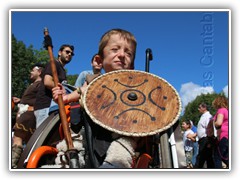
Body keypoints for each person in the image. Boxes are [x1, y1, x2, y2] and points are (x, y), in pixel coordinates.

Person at [52, 28, 138, 168]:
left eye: (128, 53)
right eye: (115, 49)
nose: (122, 54)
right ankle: (72, 155)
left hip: (121, 130)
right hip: (90, 127)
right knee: (75, 113)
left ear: (132, 65)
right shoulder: (93, 80)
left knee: (129, 132)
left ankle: (116, 162)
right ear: (99, 60)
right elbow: (81, 91)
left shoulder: (135, 84)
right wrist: (65, 97)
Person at [12, 63, 44, 168]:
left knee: (17, 138)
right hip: (25, 114)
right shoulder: (34, 84)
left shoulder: (40, 84)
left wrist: (29, 107)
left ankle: (12, 165)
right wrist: (20, 101)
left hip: (29, 115)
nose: (30, 72)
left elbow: (41, 100)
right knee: (25, 142)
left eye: (32, 70)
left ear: (39, 72)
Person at [34, 44, 74, 128]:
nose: (70, 54)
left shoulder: (62, 70)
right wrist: (63, 90)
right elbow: (47, 82)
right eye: (67, 52)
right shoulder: (54, 63)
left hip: (54, 106)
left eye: (71, 54)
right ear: (59, 53)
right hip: (45, 106)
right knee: (43, 138)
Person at [194, 103, 215, 168]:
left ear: (204, 108)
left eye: (199, 107)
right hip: (203, 140)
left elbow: (210, 129)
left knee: (201, 158)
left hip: (206, 139)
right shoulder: (203, 116)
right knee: (208, 158)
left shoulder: (207, 116)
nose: (198, 109)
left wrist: (209, 141)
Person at [212, 96, 229, 168]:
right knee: (225, 156)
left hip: (223, 135)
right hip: (228, 135)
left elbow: (219, 123)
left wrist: (214, 122)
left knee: (217, 157)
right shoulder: (227, 111)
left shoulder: (221, 110)